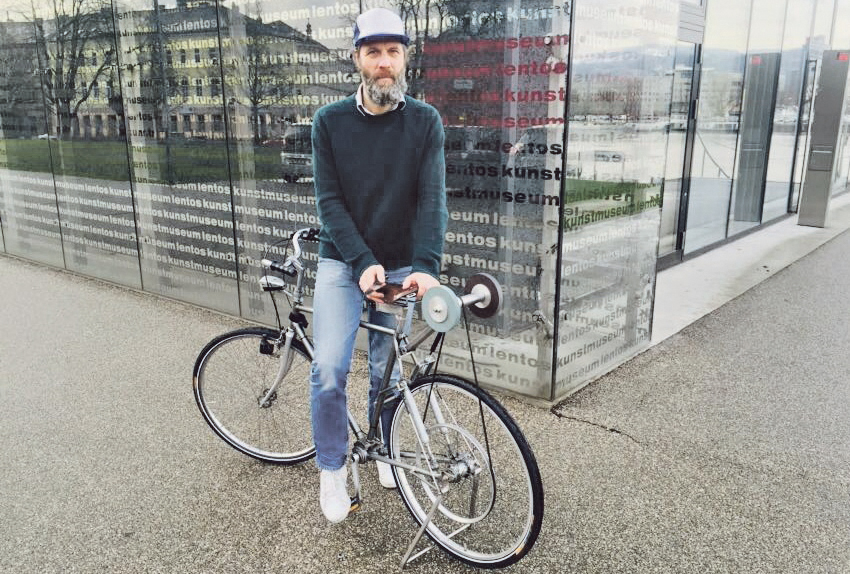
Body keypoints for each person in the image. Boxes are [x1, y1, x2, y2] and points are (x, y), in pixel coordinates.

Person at [309, 7, 447, 524]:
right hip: (343, 261)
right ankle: (332, 468)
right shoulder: (330, 122)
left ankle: (384, 446)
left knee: (387, 368)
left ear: (405, 58)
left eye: (393, 52)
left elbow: (433, 198)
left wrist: (426, 266)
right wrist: (362, 261)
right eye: (374, 52)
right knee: (329, 370)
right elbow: (330, 203)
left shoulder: (425, 122)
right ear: (357, 60)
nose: (384, 62)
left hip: (400, 263)